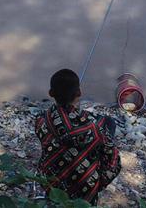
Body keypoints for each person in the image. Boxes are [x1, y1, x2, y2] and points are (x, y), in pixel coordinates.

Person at [34, 68, 121, 204]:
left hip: (51, 182)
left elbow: (64, 128)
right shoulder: (95, 127)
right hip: (84, 190)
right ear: (79, 93)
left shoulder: (41, 120)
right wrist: (98, 181)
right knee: (109, 123)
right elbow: (114, 162)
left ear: (51, 93)